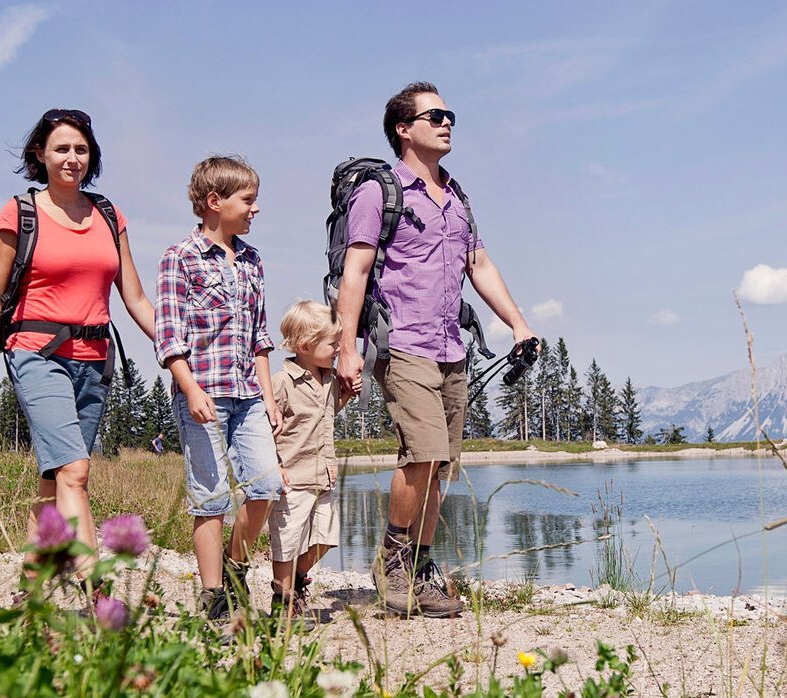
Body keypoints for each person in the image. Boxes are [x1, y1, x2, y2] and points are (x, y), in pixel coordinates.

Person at [333, 83, 537, 618]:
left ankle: (420, 567)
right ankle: (392, 563)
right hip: (402, 343)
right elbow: (355, 270)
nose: (448, 123)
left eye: (451, 115)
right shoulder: (379, 191)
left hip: (452, 346)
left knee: (442, 465)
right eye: (435, 115)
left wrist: (518, 324)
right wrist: (346, 348)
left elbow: (481, 266)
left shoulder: (457, 196)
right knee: (421, 454)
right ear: (404, 128)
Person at [0, 108, 156, 564]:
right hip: (35, 353)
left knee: (54, 479)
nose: (73, 158)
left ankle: (30, 594)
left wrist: (179, 352)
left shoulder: (110, 215)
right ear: (41, 154)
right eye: (62, 149)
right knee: (75, 470)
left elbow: (135, 298)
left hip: (94, 358)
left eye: (81, 149)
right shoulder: (21, 213)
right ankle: (95, 591)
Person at [155, 155, 281, 631]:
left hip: (249, 394)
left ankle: (236, 568)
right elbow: (169, 335)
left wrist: (268, 397)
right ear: (214, 202)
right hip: (203, 391)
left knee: (266, 484)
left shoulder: (252, 261)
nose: (255, 209)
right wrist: (189, 388)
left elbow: (261, 338)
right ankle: (213, 596)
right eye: (247, 200)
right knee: (210, 497)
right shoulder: (179, 258)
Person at [267, 300, 352, 623]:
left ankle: (297, 580)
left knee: (326, 539)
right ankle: (284, 600)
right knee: (286, 544)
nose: (337, 349)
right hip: (294, 478)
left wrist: (345, 395)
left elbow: (326, 415)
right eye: (332, 343)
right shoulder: (283, 383)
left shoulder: (328, 380)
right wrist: (274, 467)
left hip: (324, 477)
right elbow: (267, 427)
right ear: (304, 346)